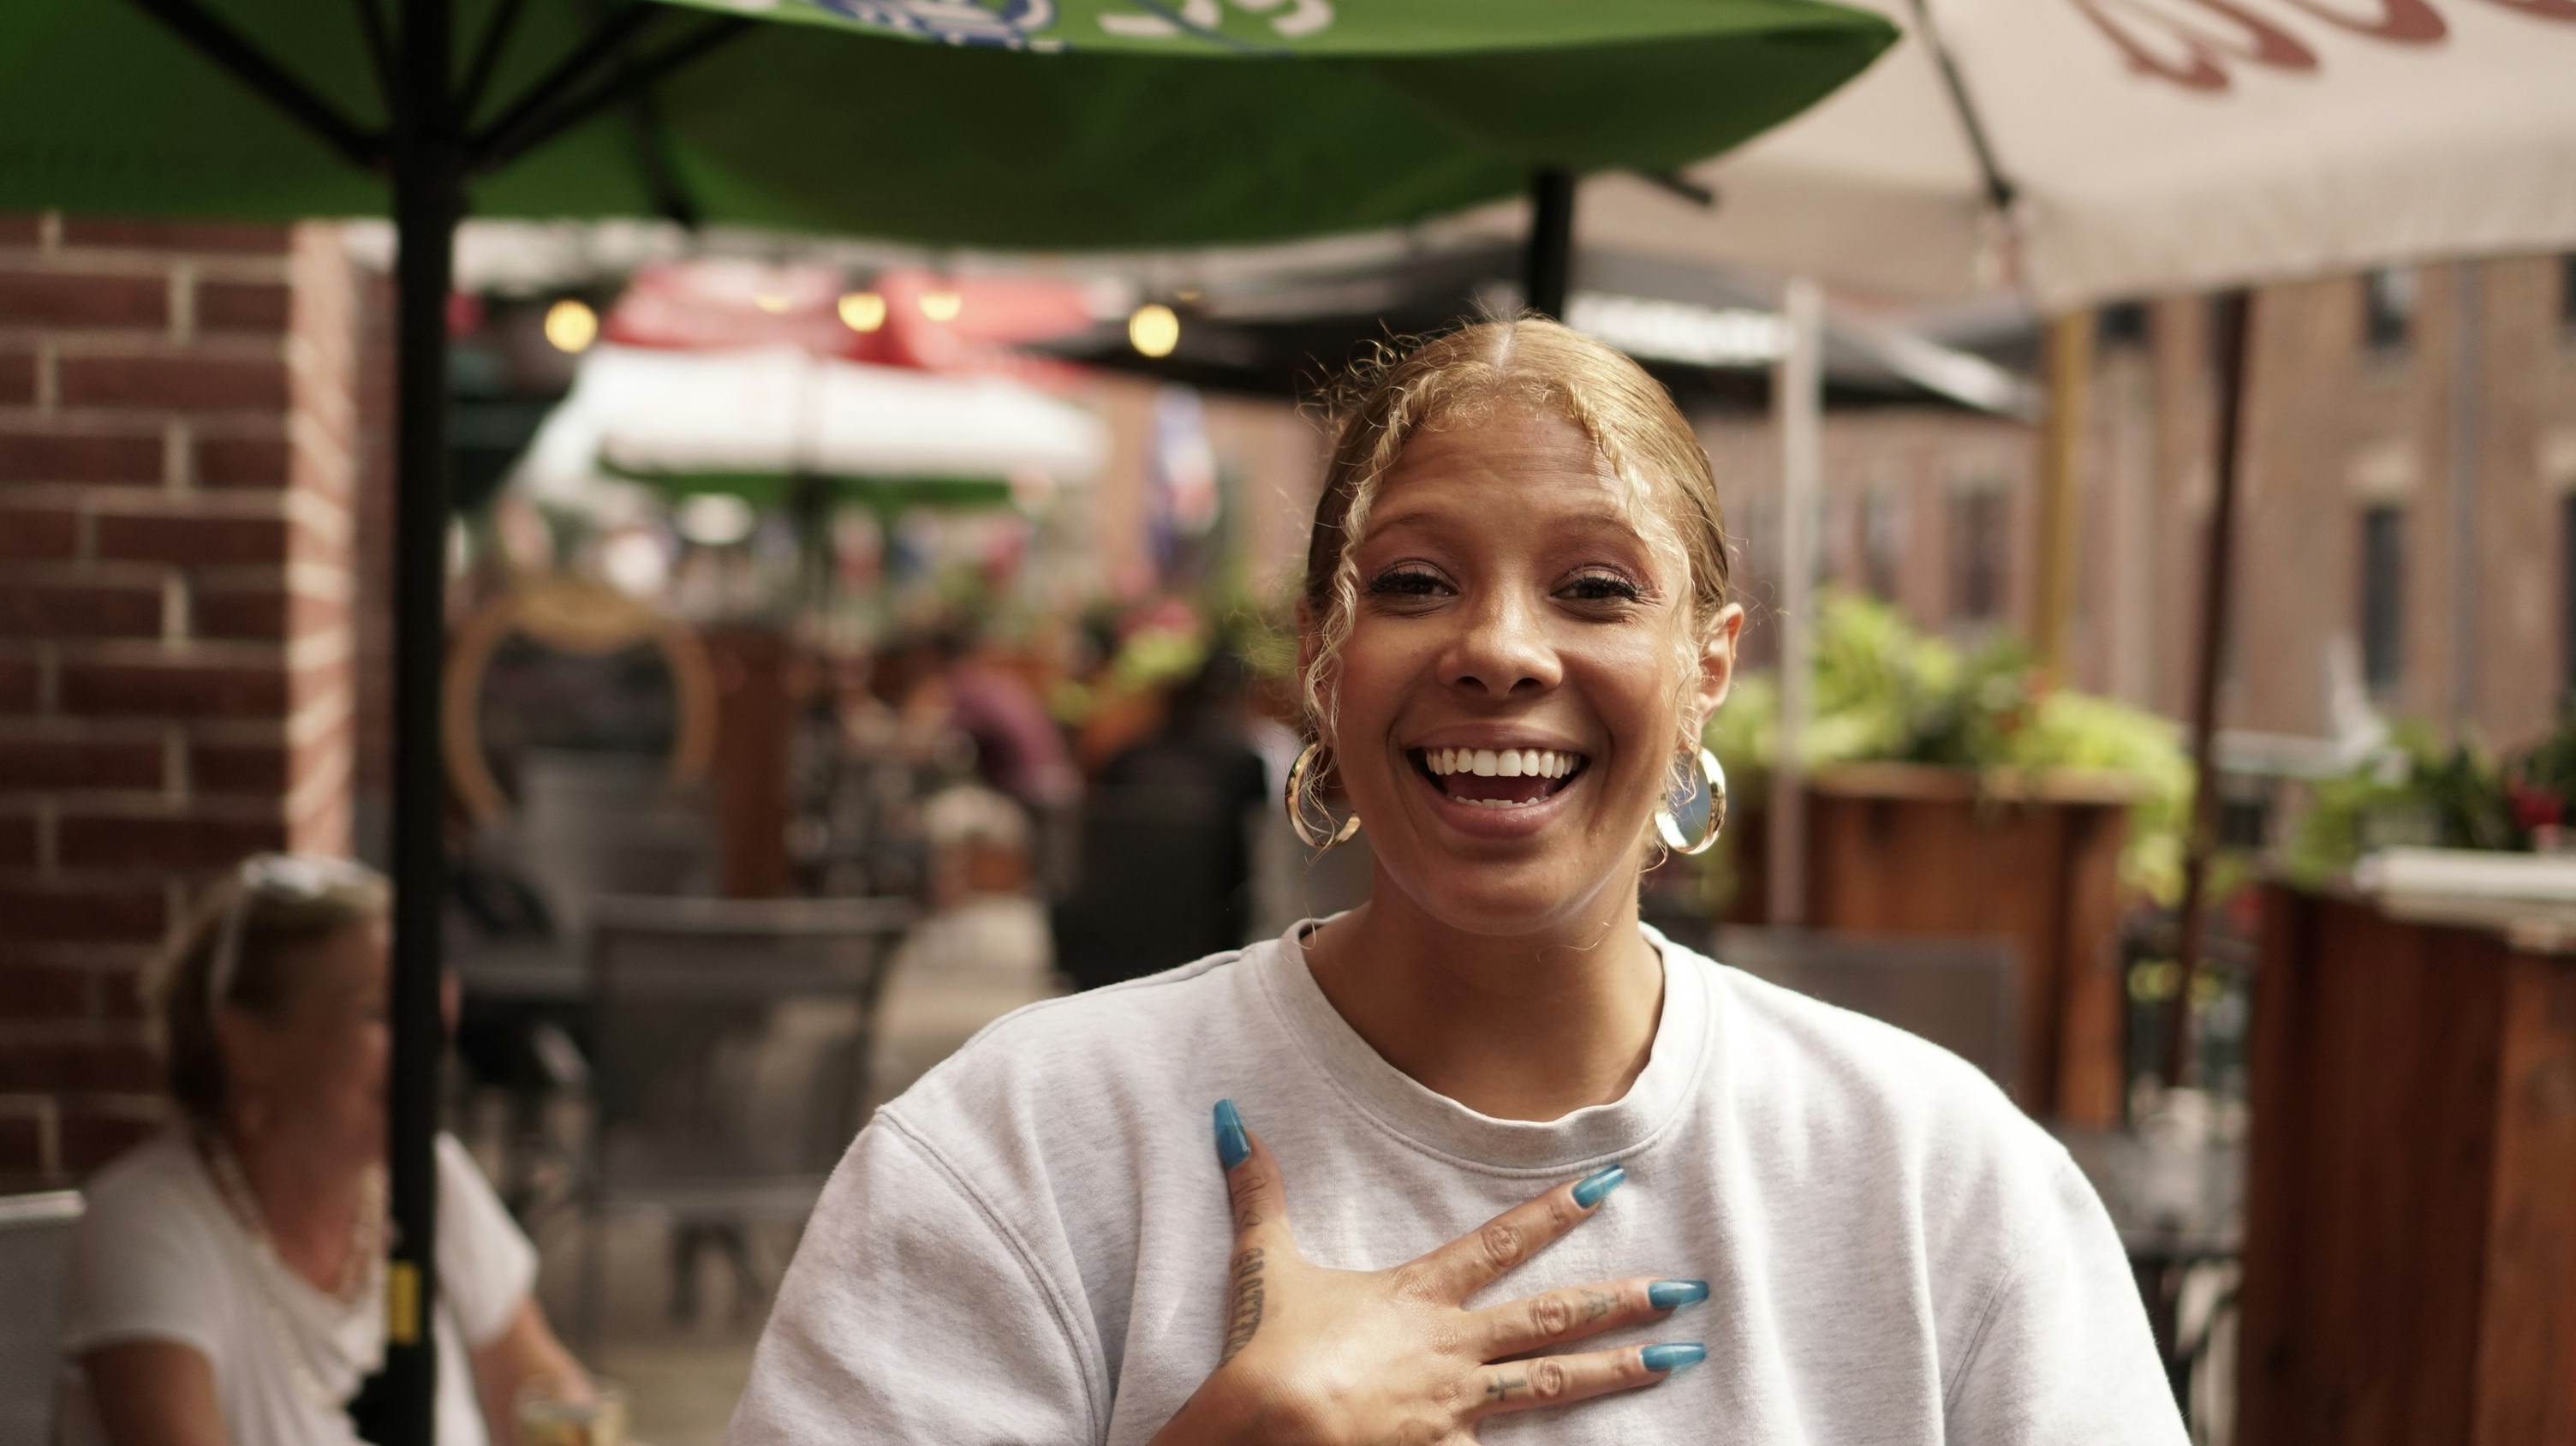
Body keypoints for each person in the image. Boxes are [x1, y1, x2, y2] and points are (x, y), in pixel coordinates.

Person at [727, 320, 2185, 1444]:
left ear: (1706, 667)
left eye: (1596, 588)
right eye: (1413, 580)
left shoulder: (1940, 1183)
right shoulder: (1015, 1151)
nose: (1499, 647)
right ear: (1317, 655)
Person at [57, 854, 591, 1446]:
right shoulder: (146, 1226)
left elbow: (543, 1394)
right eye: (379, 1013)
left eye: (426, 1015)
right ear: (248, 1044)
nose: (423, 1049)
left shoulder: (429, 1176)